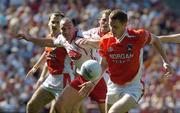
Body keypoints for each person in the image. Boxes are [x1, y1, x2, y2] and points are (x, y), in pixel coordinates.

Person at [77, 9, 173, 113]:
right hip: (113, 86)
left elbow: (156, 40)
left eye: (116, 27)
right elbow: (104, 65)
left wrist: (166, 61)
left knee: (113, 112)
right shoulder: (106, 40)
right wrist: (92, 83)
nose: (112, 30)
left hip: (133, 87)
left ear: (125, 24)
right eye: (111, 26)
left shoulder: (137, 36)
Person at [23, 12, 73, 113]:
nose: (55, 24)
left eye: (58, 23)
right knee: (31, 106)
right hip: (51, 78)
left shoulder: (65, 40)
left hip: (64, 80)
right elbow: (47, 54)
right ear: (48, 23)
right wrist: (37, 69)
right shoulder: (49, 37)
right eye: (53, 22)